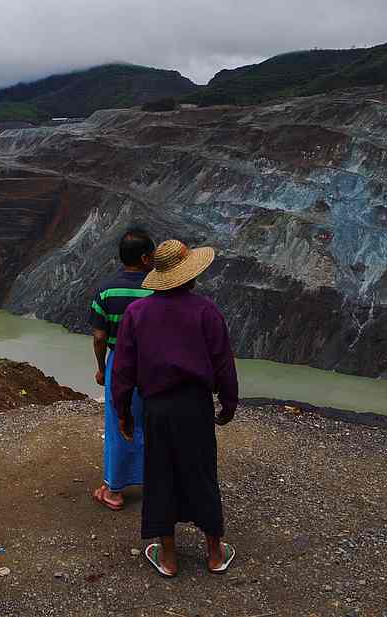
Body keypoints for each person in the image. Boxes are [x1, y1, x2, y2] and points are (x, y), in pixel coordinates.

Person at [111, 239, 238, 577]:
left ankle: (168, 558)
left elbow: (123, 369)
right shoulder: (206, 311)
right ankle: (214, 553)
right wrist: (229, 401)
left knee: (160, 474)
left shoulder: (136, 314)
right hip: (195, 406)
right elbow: (223, 362)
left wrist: (122, 411)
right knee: (201, 473)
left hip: (157, 407)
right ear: (191, 275)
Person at [88, 227, 155, 511]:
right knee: (151, 422)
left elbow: (99, 336)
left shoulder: (106, 290)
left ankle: (114, 490)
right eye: (151, 255)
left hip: (121, 363)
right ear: (144, 258)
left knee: (119, 423)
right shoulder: (157, 289)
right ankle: (153, 481)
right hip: (153, 363)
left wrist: (102, 368)